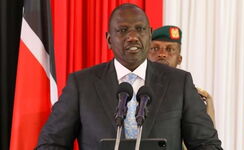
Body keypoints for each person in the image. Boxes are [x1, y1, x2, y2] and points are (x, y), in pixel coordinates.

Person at [36, 3, 222, 150]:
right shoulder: (81, 85)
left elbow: (206, 144)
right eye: (123, 30)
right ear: (109, 40)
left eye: (140, 29)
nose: (132, 37)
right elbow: (51, 144)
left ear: (149, 35)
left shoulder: (179, 83)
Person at [147, 25, 215, 123]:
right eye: (154, 49)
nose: (162, 54)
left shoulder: (198, 98)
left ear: (179, 59)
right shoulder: (134, 91)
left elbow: (204, 136)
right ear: (146, 55)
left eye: (170, 49)